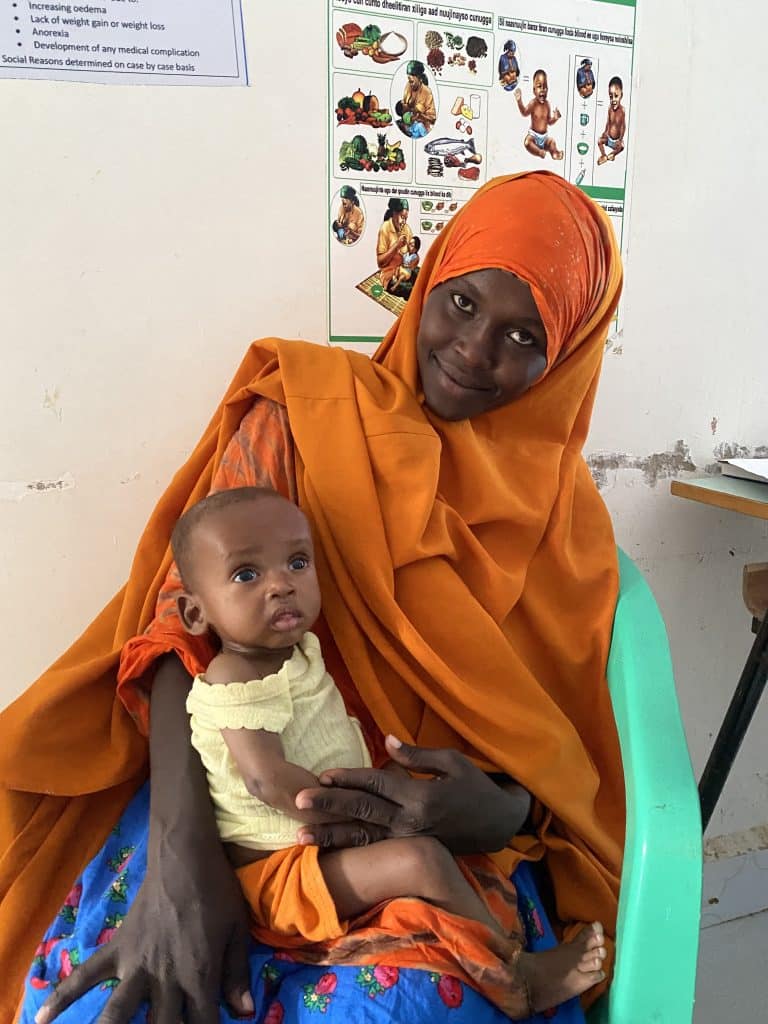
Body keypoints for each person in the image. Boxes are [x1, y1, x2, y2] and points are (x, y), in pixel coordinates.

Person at [1, 171, 625, 1024]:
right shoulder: (309, 416)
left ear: (569, 359)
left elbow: (563, 742)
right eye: (463, 302)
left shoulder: (567, 530)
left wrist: (503, 807)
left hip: (429, 848)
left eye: (524, 335)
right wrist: (182, 862)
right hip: (224, 803)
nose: (476, 350)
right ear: (427, 283)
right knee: (126, 1000)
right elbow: (178, 635)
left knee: (421, 1008)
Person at [173, 485, 609, 1019]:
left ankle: (494, 949)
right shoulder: (234, 674)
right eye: (246, 574)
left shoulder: (298, 652)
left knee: (442, 857)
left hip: (317, 854)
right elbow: (267, 780)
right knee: (419, 859)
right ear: (195, 614)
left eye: (297, 562)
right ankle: (517, 977)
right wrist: (374, 823)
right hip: (280, 875)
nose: (281, 585)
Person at [515, 71, 564, 160]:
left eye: (545, 87)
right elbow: (524, 113)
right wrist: (519, 101)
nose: (542, 89)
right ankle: (539, 152)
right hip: (533, 136)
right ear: (534, 90)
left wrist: (555, 118)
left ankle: (554, 153)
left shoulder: (547, 105)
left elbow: (549, 122)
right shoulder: (533, 103)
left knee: (552, 142)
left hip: (544, 138)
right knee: (527, 142)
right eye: (539, 86)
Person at [376, 196, 413, 289]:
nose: (404, 222)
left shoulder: (407, 229)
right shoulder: (385, 228)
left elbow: (411, 253)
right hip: (390, 275)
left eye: (406, 218)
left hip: (404, 271)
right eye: (402, 217)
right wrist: (396, 246)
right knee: (409, 289)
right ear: (394, 213)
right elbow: (380, 262)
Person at [396, 60, 436, 138]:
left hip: (422, 127)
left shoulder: (427, 92)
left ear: (419, 78)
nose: (410, 84)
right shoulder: (408, 86)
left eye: (412, 81)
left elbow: (432, 119)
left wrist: (420, 116)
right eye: (409, 81)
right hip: (408, 124)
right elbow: (404, 108)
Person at [597, 77, 626, 164]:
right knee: (599, 141)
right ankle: (603, 155)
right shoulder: (610, 108)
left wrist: (620, 139)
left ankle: (612, 154)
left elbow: (623, 127)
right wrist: (605, 132)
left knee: (622, 147)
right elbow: (608, 122)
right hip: (609, 138)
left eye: (616, 96)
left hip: (616, 141)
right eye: (610, 97)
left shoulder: (622, 111)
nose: (613, 100)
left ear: (621, 95)